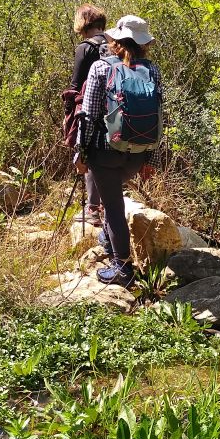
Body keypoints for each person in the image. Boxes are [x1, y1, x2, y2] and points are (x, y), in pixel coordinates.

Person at [76, 15, 162, 286]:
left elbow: (89, 116)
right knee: (114, 197)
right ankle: (110, 241)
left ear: (116, 41)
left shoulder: (101, 68)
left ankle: (122, 268)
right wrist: (151, 157)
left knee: (112, 206)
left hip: (106, 150)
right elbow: (160, 115)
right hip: (138, 151)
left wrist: (81, 152)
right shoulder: (152, 70)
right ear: (143, 43)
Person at [66, 4, 108, 226]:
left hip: (90, 108)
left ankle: (93, 209)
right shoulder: (115, 44)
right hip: (115, 112)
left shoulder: (85, 48)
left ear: (82, 23)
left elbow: (76, 85)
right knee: (107, 157)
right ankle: (105, 205)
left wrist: (69, 113)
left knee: (88, 153)